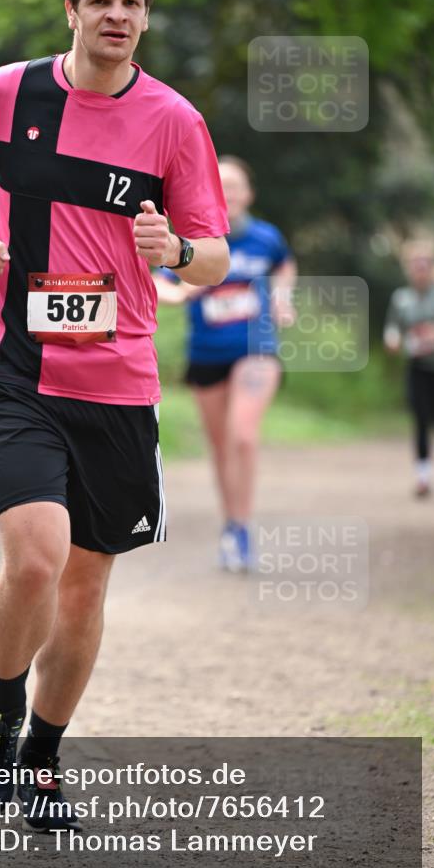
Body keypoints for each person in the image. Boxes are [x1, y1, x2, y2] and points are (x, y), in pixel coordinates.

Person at [0, 0, 230, 831]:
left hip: (117, 386)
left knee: (85, 590)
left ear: (144, 18)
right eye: (100, 0)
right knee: (34, 559)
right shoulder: (9, 92)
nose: (116, 17)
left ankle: (41, 759)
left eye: (131, 5)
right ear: (72, 9)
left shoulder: (174, 120)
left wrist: (172, 250)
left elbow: (211, 254)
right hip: (13, 372)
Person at [153, 156, 296, 572]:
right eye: (221, 185)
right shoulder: (194, 239)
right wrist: (184, 294)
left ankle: (244, 527)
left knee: (243, 436)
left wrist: (283, 297)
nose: (228, 193)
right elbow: (161, 280)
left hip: (256, 350)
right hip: (207, 355)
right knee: (220, 447)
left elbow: (285, 265)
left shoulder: (266, 238)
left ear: (248, 194)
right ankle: (232, 525)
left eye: (236, 186)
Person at [383, 239, 434, 498]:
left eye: (424, 264)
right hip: (417, 368)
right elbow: (393, 327)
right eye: (415, 265)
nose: (420, 269)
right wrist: (393, 339)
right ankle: (423, 477)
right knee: (420, 420)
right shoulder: (401, 299)